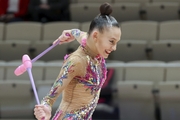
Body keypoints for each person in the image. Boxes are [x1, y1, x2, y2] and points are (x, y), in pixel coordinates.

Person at [34, 2, 121, 120]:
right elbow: (50, 97)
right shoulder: (77, 61)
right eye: (111, 41)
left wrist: (71, 32)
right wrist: (45, 108)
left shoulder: (92, 44)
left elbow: (81, 34)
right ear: (96, 36)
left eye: (116, 42)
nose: (114, 48)